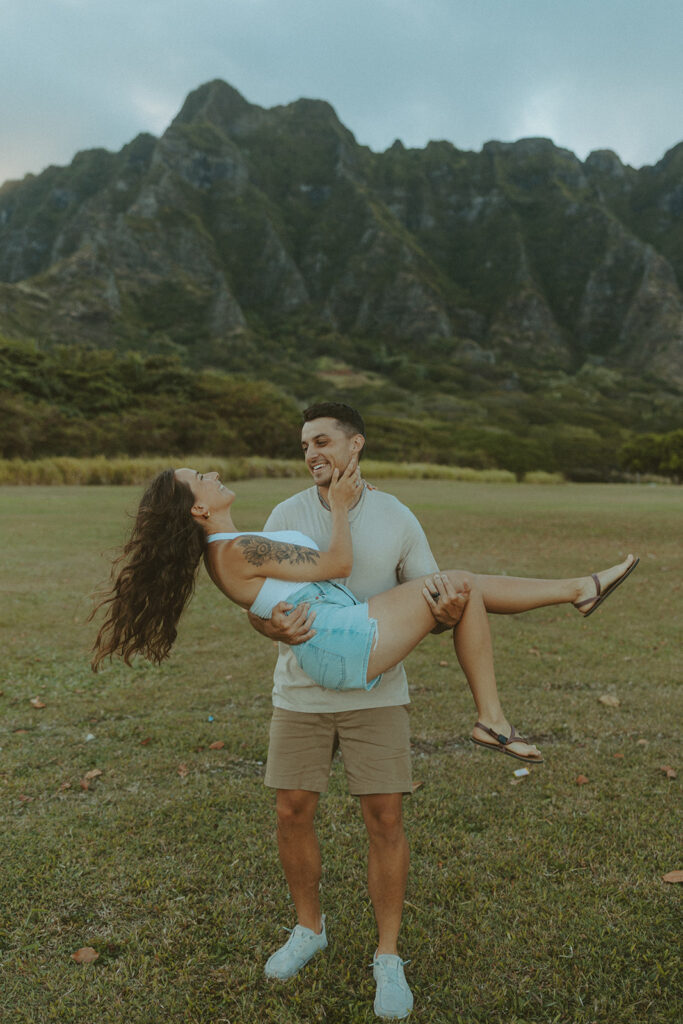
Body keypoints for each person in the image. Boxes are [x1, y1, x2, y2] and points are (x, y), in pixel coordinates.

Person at [91, 428, 638, 1020]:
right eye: (197, 477)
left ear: (355, 445)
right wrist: (345, 512)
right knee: (460, 585)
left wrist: (408, 601)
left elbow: (276, 597)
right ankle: (504, 700)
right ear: (199, 507)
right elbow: (337, 562)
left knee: (458, 589)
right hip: (339, 646)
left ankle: (557, 623)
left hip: (342, 636)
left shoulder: (237, 546)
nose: (209, 471)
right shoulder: (239, 544)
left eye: (322, 439)